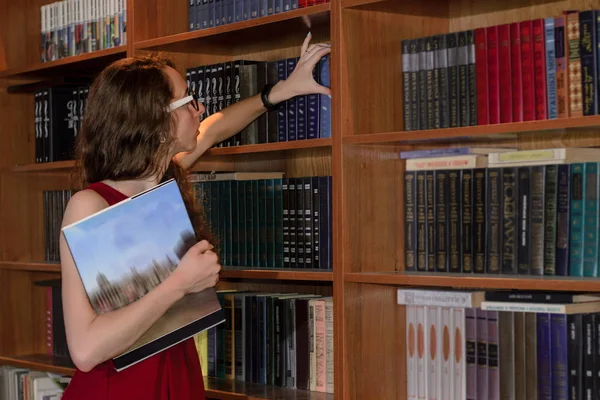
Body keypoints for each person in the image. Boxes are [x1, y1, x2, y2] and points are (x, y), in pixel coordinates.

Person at [58, 33, 331, 400]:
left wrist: (280, 91)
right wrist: (179, 283)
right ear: (155, 117)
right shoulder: (89, 205)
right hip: (119, 390)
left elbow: (215, 127)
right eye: (188, 101)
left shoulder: (163, 178)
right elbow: (86, 350)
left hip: (177, 376)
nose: (198, 109)